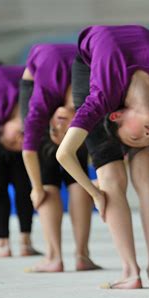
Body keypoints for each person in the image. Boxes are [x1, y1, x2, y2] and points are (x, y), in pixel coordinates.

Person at [56, 25, 149, 289]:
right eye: (138, 138)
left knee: (147, 172)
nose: (148, 136)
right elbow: (63, 153)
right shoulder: (99, 96)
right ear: (116, 115)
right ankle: (130, 271)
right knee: (111, 177)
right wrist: (95, 193)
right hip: (90, 65)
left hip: (131, 59)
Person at [20, 43, 101, 272]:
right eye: (59, 126)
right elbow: (28, 149)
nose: (61, 123)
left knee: (78, 178)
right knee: (47, 179)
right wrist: (36, 188)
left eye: (64, 126)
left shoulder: (89, 106)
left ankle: (82, 254)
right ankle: (54, 256)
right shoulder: (39, 104)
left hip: (76, 62)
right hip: (40, 71)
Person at [0, 65, 42, 258]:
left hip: (9, 78)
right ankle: (2, 243)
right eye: (14, 142)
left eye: (18, 139)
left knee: (23, 186)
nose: (20, 142)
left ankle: (26, 242)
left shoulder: (30, 105)